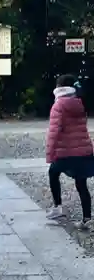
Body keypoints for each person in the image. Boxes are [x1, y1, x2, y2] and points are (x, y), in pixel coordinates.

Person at [46, 74, 94, 229]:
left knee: (53, 172)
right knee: (81, 183)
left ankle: (58, 207)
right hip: (84, 149)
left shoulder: (59, 105)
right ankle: (87, 219)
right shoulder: (80, 103)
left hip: (66, 152)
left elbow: (54, 132)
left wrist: (50, 153)